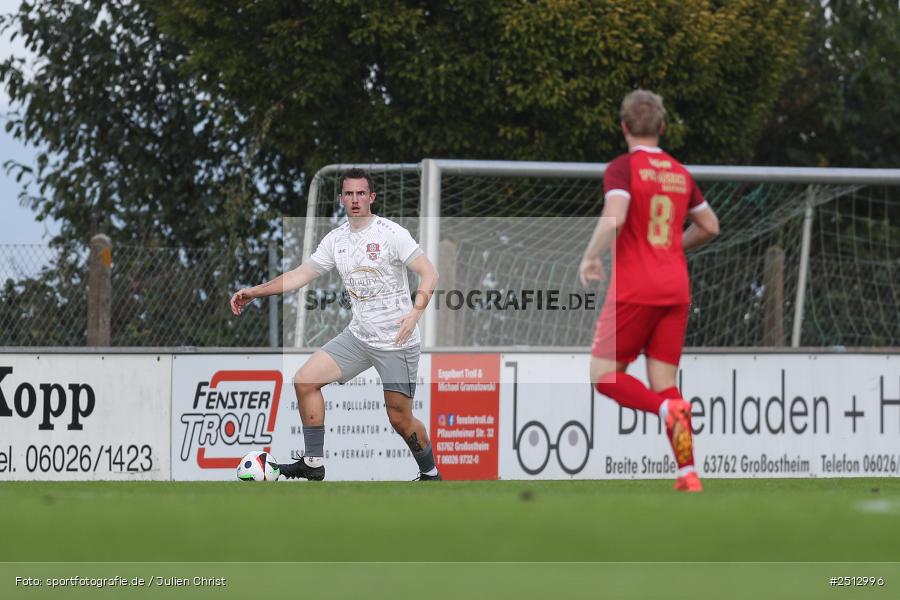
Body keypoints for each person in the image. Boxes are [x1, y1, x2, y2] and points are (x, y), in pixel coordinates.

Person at [230, 168, 441, 481]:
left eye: (361, 194)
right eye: (349, 194)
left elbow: (430, 273)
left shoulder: (390, 233)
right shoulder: (336, 240)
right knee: (305, 381)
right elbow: (299, 275)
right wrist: (254, 292)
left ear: (372, 197)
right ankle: (313, 464)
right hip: (358, 338)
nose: (355, 200)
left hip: (397, 341)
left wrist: (415, 314)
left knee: (399, 417)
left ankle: (431, 474)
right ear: (341, 199)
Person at [579, 90, 720, 492]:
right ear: (661, 127)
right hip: (676, 288)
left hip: (635, 287)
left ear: (623, 127)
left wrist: (590, 257)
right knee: (664, 379)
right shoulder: (679, 172)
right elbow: (710, 225)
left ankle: (664, 410)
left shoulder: (623, 168)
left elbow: (615, 218)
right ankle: (688, 472)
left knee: (604, 377)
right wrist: (676, 245)